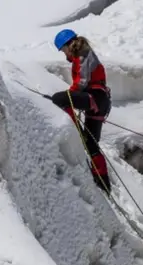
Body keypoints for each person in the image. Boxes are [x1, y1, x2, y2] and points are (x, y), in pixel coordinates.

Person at [50, 29, 112, 195]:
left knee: (59, 99)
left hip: (95, 97)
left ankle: (74, 130)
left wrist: (71, 94)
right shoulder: (84, 53)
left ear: (68, 45)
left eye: (63, 50)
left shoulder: (82, 54)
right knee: (91, 144)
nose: (64, 54)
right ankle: (104, 183)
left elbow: (82, 82)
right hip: (100, 101)